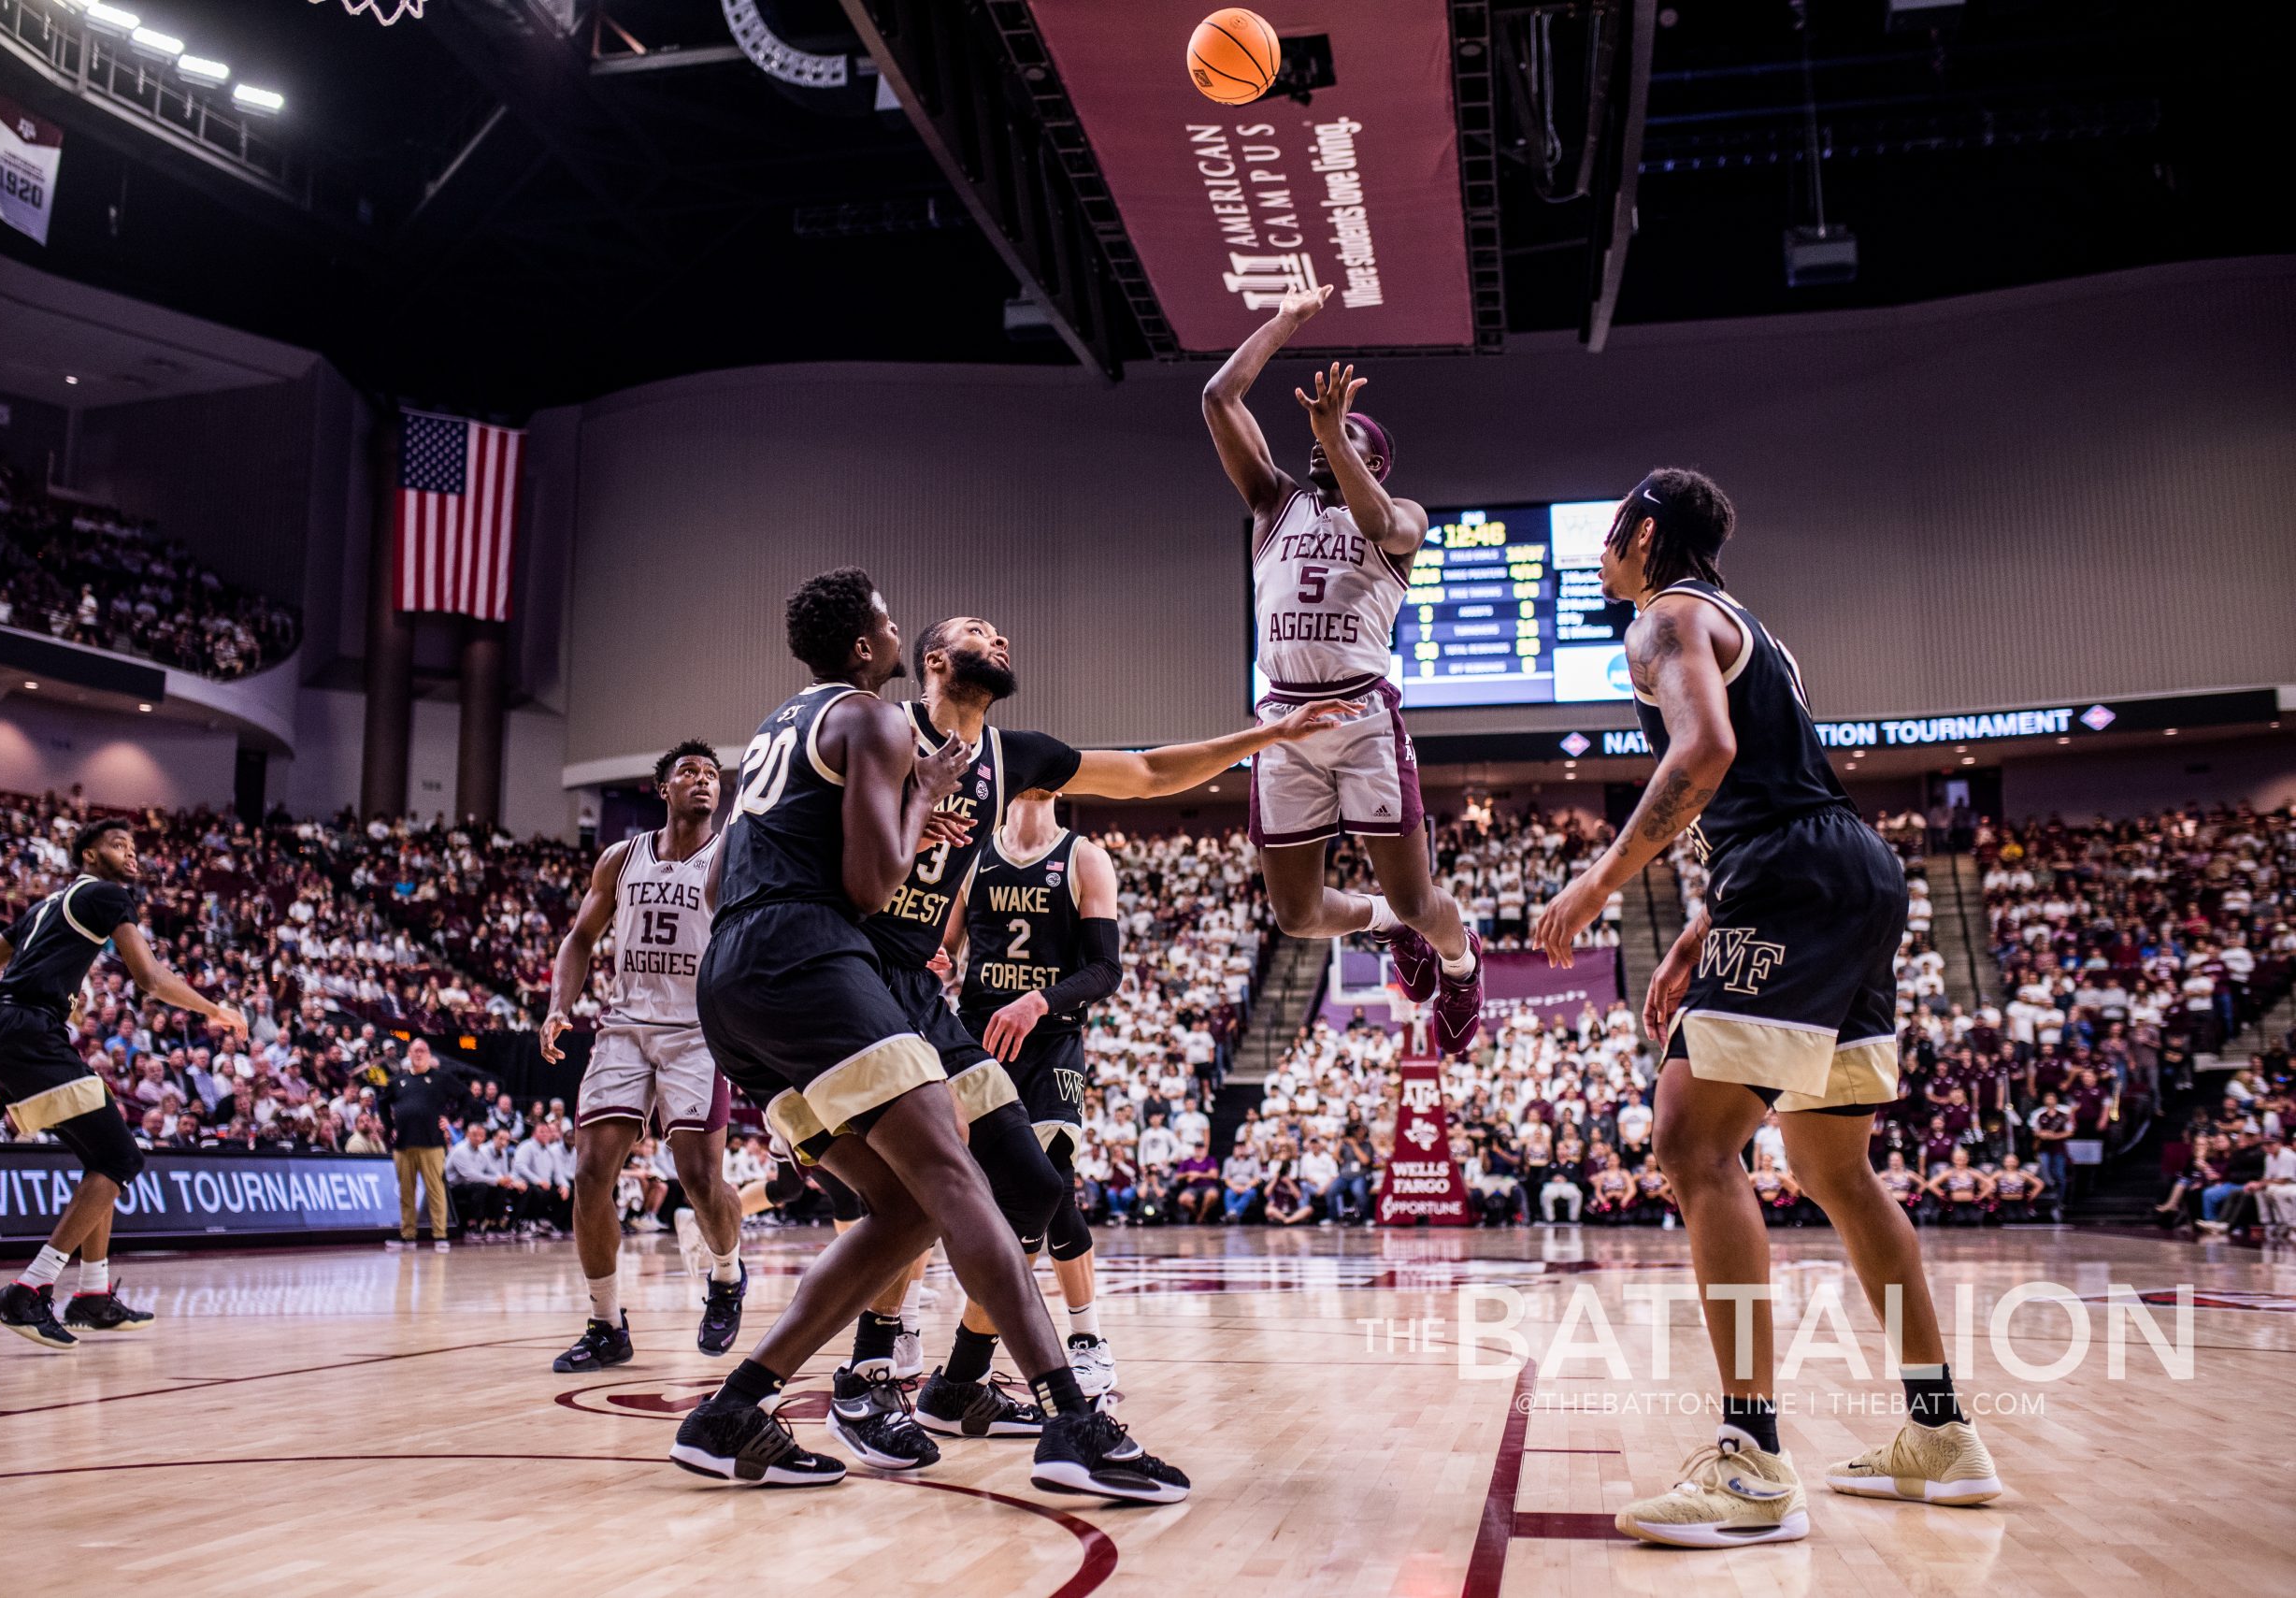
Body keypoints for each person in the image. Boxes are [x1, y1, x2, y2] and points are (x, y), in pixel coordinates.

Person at [1532, 469, 2002, 1548]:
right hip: (1845, 874)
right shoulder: (1754, 630)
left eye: (1609, 537)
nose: (1604, 557)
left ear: (1641, 535)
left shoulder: (1662, 616)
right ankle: (1938, 1431)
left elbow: (1706, 754)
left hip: (1792, 880)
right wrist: (1707, 919)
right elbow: (1779, 788)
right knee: (1834, 1168)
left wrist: (1602, 880)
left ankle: (1751, 1462)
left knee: (1691, 1144)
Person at [667, 569, 1186, 1504]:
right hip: (815, 963)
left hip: (733, 983)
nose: (899, 630)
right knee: (951, 1173)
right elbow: (870, 888)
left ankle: (735, 1407)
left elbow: (712, 889)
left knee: (904, 1207)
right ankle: (1069, 1414)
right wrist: (926, 792)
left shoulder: (778, 728)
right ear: (870, 649)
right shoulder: (874, 721)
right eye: (890, 623)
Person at [831, 610, 1346, 1404]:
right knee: (911, 1191)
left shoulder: (1015, 761)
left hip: (958, 1007)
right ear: (933, 658)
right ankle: (873, 1367)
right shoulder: (874, 727)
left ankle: (962, 1371)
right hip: (854, 975)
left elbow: (1148, 773)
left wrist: (1268, 737)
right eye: (978, 630)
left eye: (1006, 632)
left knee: (1026, 1189)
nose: (1000, 639)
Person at [1202, 284, 1485, 1057]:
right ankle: (1386, 925)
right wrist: (1286, 324)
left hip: (1361, 718)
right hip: (1284, 720)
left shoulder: (1404, 518)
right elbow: (1218, 396)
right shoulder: (1273, 504)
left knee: (1419, 896)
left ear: (1378, 462)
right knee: (1295, 915)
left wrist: (1335, 431)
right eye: (1322, 436)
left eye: (1348, 441)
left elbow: (1379, 519)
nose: (1324, 445)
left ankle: (1460, 965)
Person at [0, 817, 245, 1347]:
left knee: (101, 1160)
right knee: (121, 1159)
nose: (131, 854)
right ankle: (28, 1289)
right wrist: (214, 1010)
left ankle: (92, 1294)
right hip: (30, 1035)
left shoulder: (45, 908)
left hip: (6, 1033)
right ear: (88, 855)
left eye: (134, 847)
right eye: (118, 844)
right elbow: (150, 978)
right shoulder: (107, 896)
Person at [538, 741, 748, 1373]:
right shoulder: (619, 858)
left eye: (712, 774)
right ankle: (606, 1323)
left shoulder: (730, 856)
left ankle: (727, 1275)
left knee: (700, 1178)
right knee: (591, 1170)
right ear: (664, 787)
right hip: (625, 1023)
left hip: (696, 1029)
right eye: (689, 772)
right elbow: (578, 938)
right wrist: (558, 1005)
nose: (703, 781)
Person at [926, 786, 1125, 1421]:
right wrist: (928, 961)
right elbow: (943, 948)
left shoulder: (1084, 857)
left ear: (1060, 782)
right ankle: (909, 1338)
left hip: (1051, 1043)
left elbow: (1105, 970)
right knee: (960, 1189)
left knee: (1053, 1183)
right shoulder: (974, 855)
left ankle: (1087, 1338)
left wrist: (1040, 999)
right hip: (976, 1039)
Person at [381, 1039, 473, 1251]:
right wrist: (389, 1128)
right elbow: (383, 1103)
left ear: (429, 1054)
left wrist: (453, 1119)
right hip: (403, 1144)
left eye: (422, 1051)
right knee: (406, 1192)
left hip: (432, 1143)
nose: (418, 1054)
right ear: (409, 1054)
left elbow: (467, 1096)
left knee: (435, 1190)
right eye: (415, 1051)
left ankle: (440, 1235)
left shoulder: (441, 1079)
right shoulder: (399, 1081)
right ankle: (407, 1236)